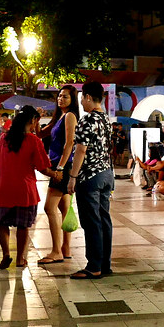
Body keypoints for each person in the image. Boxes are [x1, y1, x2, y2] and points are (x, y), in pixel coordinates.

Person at [0, 105, 57, 270]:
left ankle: (6, 253)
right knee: (22, 225)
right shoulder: (33, 140)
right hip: (25, 191)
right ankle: (20, 258)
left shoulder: (3, 139)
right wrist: (56, 175)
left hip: (3, 188)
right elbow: (42, 167)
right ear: (33, 121)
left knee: (2, 223)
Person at [67, 81, 114, 280]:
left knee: (91, 222)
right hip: (106, 174)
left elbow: (81, 150)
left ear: (87, 97)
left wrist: (72, 177)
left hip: (90, 176)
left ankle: (93, 265)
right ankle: (104, 264)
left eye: (82, 99)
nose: (82, 103)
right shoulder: (106, 119)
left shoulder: (87, 120)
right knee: (104, 220)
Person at [37, 86, 80, 264]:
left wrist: (60, 168)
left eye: (65, 97)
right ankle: (65, 248)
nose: (61, 99)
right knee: (64, 208)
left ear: (72, 100)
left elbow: (69, 143)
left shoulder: (70, 116)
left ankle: (56, 251)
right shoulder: (59, 118)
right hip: (59, 164)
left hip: (64, 165)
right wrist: (37, 118)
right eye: (59, 96)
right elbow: (39, 134)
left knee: (49, 208)